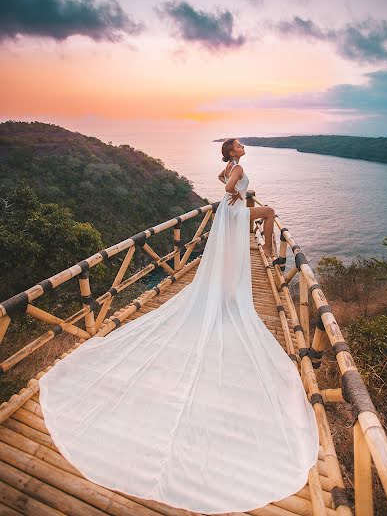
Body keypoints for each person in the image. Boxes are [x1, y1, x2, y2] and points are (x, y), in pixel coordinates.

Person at [39, 138, 320, 514]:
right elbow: (228, 185)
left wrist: (233, 188)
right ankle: (268, 251)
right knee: (268, 214)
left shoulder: (230, 166)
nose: (241, 146)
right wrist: (235, 189)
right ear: (234, 153)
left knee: (259, 220)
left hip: (229, 213)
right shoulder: (235, 169)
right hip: (234, 213)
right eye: (238, 145)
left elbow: (227, 183)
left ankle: (261, 253)